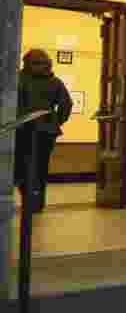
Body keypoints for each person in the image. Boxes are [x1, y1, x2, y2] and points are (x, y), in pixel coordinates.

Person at [15, 49, 73, 213]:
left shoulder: (19, 79)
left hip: (23, 130)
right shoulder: (55, 82)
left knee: (23, 166)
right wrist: (54, 122)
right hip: (43, 132)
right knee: (39, 167)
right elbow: (66, 106)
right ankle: (35, 202)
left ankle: (31, 199)